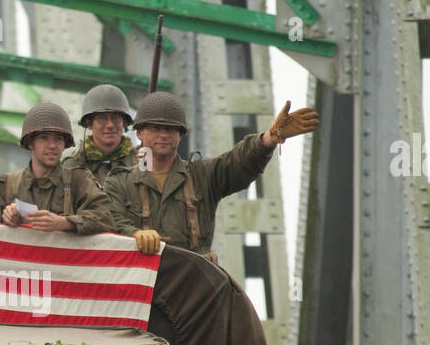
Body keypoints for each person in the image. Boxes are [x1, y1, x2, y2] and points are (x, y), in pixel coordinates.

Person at [105, 92, 319, 257]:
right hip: (142, 284)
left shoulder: (202, 176)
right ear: (140, 133)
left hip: (194, 286)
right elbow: (108, 220)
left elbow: (238, 162)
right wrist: (134, 234)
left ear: (180, 135)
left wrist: (269, 138)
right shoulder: (120, 183)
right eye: (155, 128)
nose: (163, 135)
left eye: (171, 129)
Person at [0, 102, 114, 234]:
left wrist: (65, 223)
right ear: (30, 143)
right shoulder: (5, 186)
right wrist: (6, 216)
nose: (52, 145)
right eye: (44, 138)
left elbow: (106, 218)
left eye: (58, 139)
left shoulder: (78, 180)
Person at [64, 85, 137, 185]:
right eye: (101, 118)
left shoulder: (140, 162)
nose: (110, 125)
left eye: (116, 117)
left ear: (124, 122)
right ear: (89, 124)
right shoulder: (73, 165)